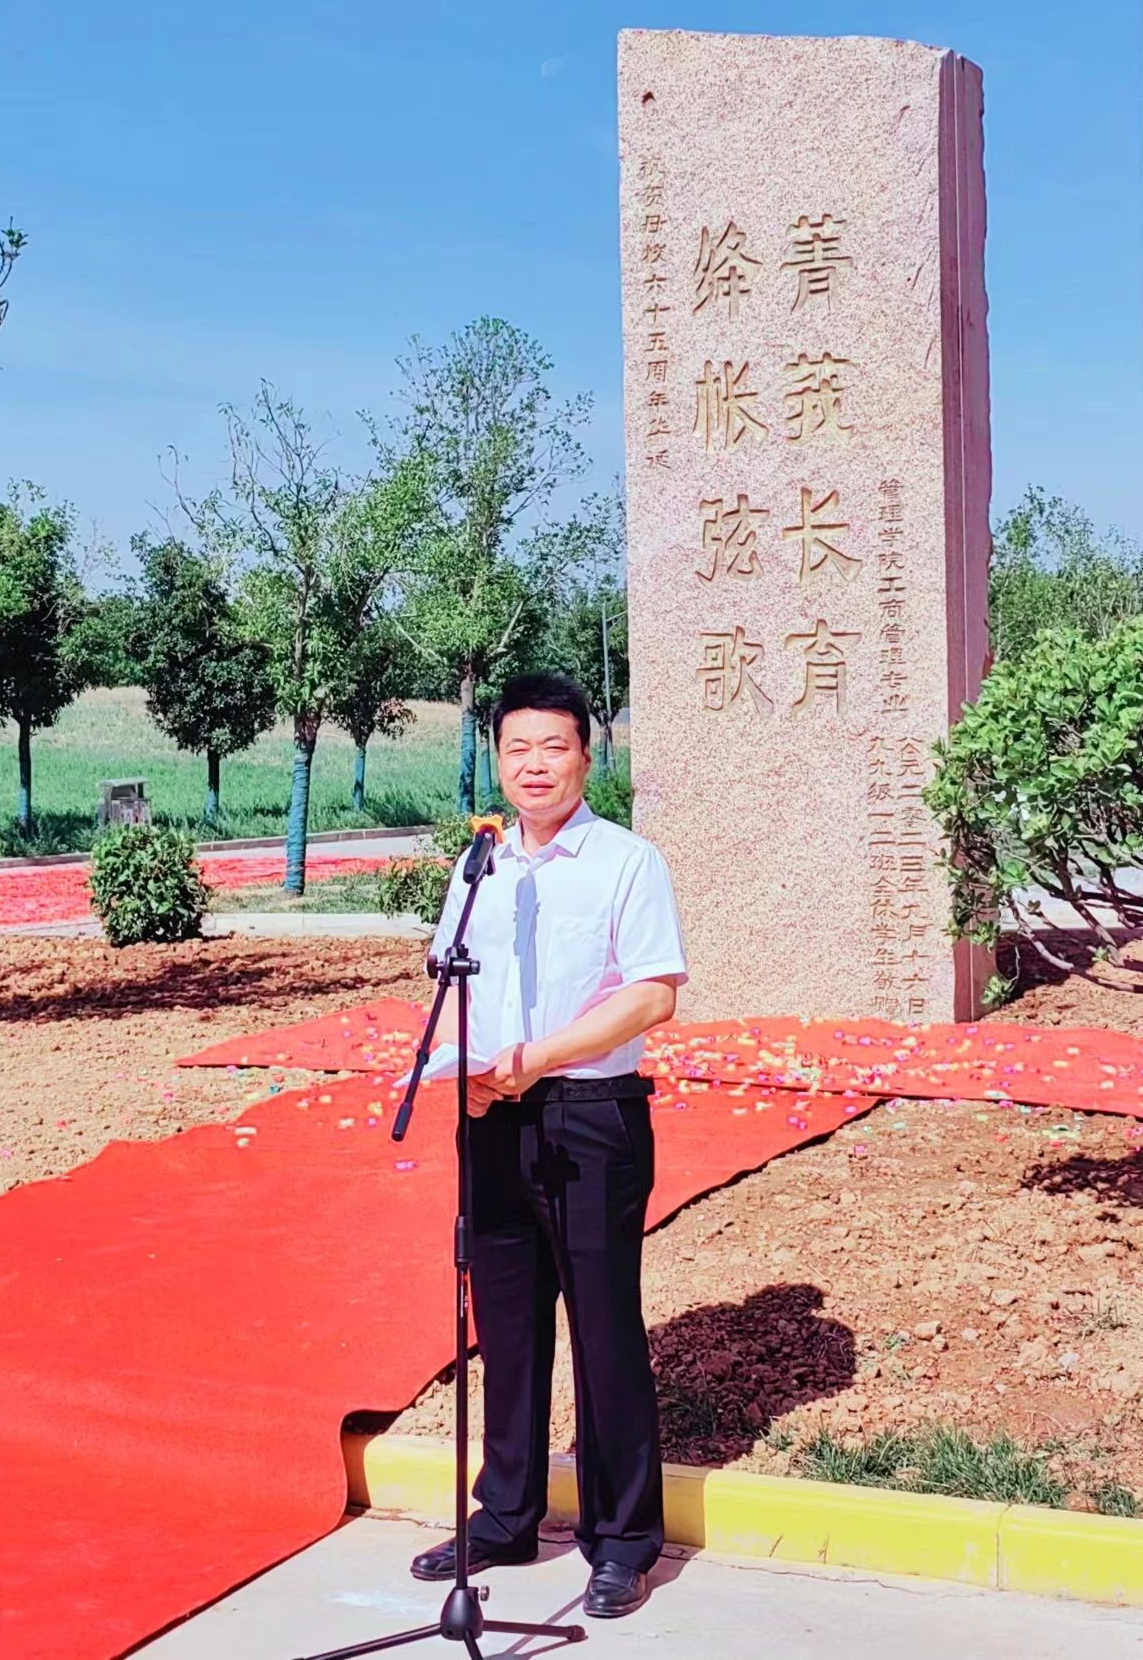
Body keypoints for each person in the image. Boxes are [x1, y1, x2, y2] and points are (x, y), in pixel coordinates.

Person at [410, 672, 687, 1621]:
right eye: (516, 748)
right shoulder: (478, 865)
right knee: (507, 1326)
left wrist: (538, 1059)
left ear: (585, 755)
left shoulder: (626, 862)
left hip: (589, 1117)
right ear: (496, 758)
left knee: (603, 1328)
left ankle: (622, 1541)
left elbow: (651, 995)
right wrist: (467, 1070)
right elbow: (452, 981)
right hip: (491, 1114)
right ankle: (506, 1514)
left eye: (553, 747)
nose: (534, 765)